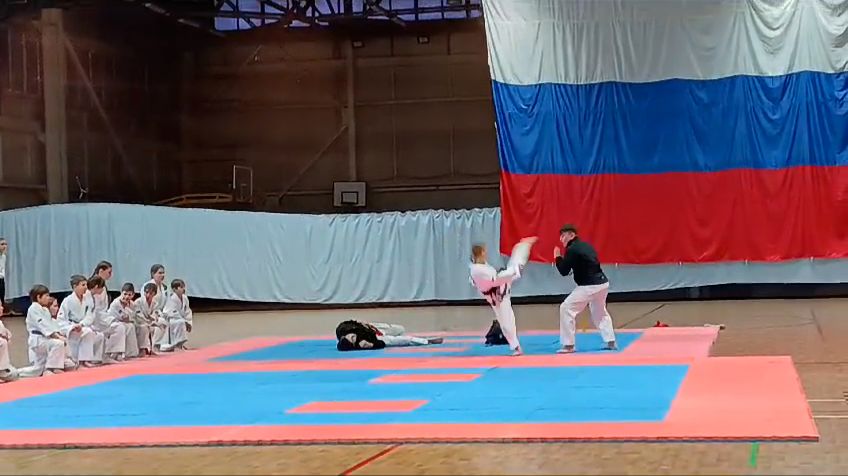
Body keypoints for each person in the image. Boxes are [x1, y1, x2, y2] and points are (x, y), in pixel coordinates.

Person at [469, 237, 537, 356]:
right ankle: (523, 246)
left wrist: (507, 275)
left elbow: (490, 280)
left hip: (499, 291)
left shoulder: (480, 267)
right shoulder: (477, 269)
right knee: (515, 267)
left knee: (506, 320)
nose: (486, 254)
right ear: (481, 253)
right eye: (484, 251)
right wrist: (508, 274)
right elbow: (493, 279)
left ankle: (516, 347)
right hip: (497, 293)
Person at [553, 224, 617, 353]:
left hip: (589, 285)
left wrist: (557, 257)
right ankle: (611, 341)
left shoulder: (572, 249)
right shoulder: (586, 246)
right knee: (600, 312)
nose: (561, 239)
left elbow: (564, 271)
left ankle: (568, 345)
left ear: (572, 235)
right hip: (602, 283)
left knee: (566, 308)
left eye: (564, 236)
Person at [57, 275, 105, 367]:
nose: (86, 287)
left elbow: (90, 315)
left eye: (86, 285)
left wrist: (82, 324)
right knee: (88, 332)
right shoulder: (67, 301)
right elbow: (60, 320)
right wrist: (72, 327)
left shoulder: (87, 299)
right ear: (75, 286)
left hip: (83, 326)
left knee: (99, 335)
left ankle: (95, 360)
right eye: (83, 285)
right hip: (72, 329)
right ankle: (83, 361)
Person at [25, 284, 68, 375]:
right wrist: (57, 337)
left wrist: (59, 335)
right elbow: (43, 325)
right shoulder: (33, 309)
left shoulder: (44, 310)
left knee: (37, 370)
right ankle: (51, 368)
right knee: (58, 343)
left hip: (44, 339)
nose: (48, 298)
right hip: (38, 340)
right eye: (46, 296)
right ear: (38, 297)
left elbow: (51, 325)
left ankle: (46, 369)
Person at [85, 276, 126, 362]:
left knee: (119, 327)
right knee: (98, 334)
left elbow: (102, 311)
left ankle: (112, 354)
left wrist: (111, 319)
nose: (102, 290)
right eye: (101, 288)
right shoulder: (86, 296)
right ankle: (98, 358)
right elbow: (88, 315)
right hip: (91, 324)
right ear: (96, 287)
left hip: (101, 321)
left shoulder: (98, 294)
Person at [335, 320, 443, 351]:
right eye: (353, 339)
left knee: (400, 329)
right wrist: (372, 345)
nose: (354, 337)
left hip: (374, 327)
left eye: (351, 336)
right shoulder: (362, 343)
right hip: (378, 336)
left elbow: (348, 322)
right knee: (400, 340)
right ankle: (426, 341)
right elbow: (382, 343)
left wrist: (360, 323)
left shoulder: (342, 329)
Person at [108, 283, 140, 358]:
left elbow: (133, 317)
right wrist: (128, 317)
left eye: (129, 295)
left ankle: (130, 353)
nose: (126, 297)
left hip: (124, 322)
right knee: (124, 327)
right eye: (125, 294)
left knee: (131, 326)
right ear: (121, 293)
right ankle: (117, 353)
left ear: (133, 295)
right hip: (113, 322)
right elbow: (124, 318)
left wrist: (129, 317)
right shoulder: (116, 303)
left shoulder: (132, 304)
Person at [161, 279, 192, 352]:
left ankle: (180, 344)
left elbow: (187, 311)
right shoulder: (171, 298)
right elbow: (170, 312)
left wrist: (188, 322)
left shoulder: (185, 298)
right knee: (180, 322)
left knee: (181, 322)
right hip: (170, 320)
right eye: (181, 287)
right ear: (174, 289)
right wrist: (184, 321)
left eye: (183, 287)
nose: (183, 289)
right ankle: (177, 345)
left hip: (180, 320)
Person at [134, 282, 165, 355]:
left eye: (151, 293)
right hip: (140, 322)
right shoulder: (138, 302)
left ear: (154, 294)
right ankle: (143, 349)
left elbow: (156, 313)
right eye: (146, 292)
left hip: (150, 322)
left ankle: (154, 346)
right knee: (144, 327)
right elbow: (138, 315)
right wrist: (147, 320)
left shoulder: (155, 303)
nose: (148, 295)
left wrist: (153, 318)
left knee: (162, 323)